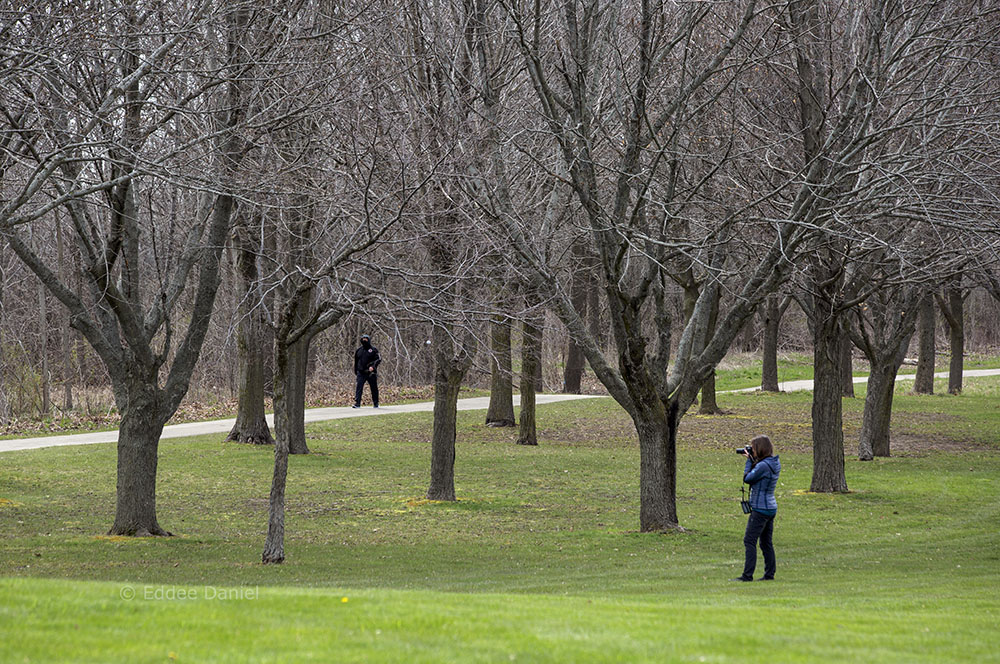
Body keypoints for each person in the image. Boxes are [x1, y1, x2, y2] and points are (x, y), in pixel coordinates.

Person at [734, 434, 781, 582]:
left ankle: (747, 575)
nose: (751, 451)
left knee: (749, 541)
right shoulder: (773, 463)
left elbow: (748, 479)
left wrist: (749, 462)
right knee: (766, 542)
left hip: (760, 508)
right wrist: (754, 460)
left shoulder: (762, 466)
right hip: (770, 507)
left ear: (759, 449)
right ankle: (769, 574)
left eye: (753, 449)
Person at [352, 334, 381, 408]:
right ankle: (357, 403)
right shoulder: (359, 350)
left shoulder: (373, 350)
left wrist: (373, 366)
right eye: (363, 339)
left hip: (371, 372)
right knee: (359, 387)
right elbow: (356, 361)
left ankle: (376, 403)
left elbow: (378, 359)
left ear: (369, 340)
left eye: (366, 339)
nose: (364, 340)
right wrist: (356, 370)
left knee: (374, 388)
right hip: (361, 372)